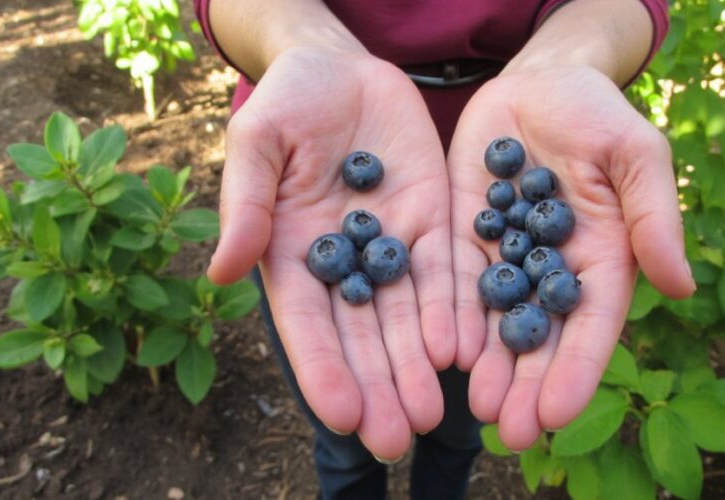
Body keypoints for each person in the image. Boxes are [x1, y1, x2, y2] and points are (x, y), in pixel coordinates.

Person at [193, 0, 697, 498]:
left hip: (539, 127)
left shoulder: (518, 211)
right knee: (344, 433)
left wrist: (568, 57)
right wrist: (300, 42)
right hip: (314, 170)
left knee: (459, 432)